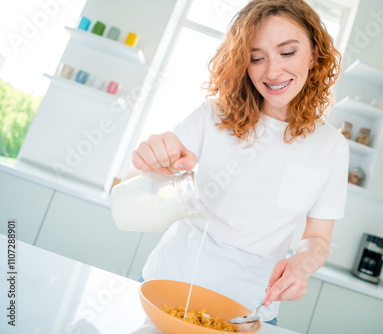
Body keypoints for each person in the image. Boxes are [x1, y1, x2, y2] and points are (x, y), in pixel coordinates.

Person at [128, 0, 348, 325]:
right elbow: (140, 183)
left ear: (314, 55)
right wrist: (151, 159)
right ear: (242, 63)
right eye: (256, 58)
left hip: (246, 309)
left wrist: (302, 263)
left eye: (287, 53)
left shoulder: (330, 147)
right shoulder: (211, 117)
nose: (272, 71)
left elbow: (317, 237)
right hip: (170, 285)